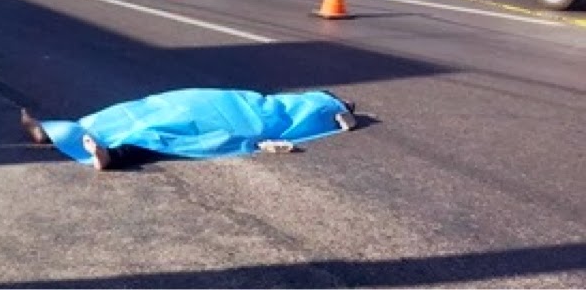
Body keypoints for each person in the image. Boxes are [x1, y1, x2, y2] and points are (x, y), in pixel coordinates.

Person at [20, 88, 357, 171]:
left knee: (164, 129)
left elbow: (279, 113)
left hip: (233, 109)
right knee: (153, 122)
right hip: (222, 103)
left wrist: (338, 112)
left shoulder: (313, 106)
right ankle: (61, 133)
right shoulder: (306, 105)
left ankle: (84, 141)